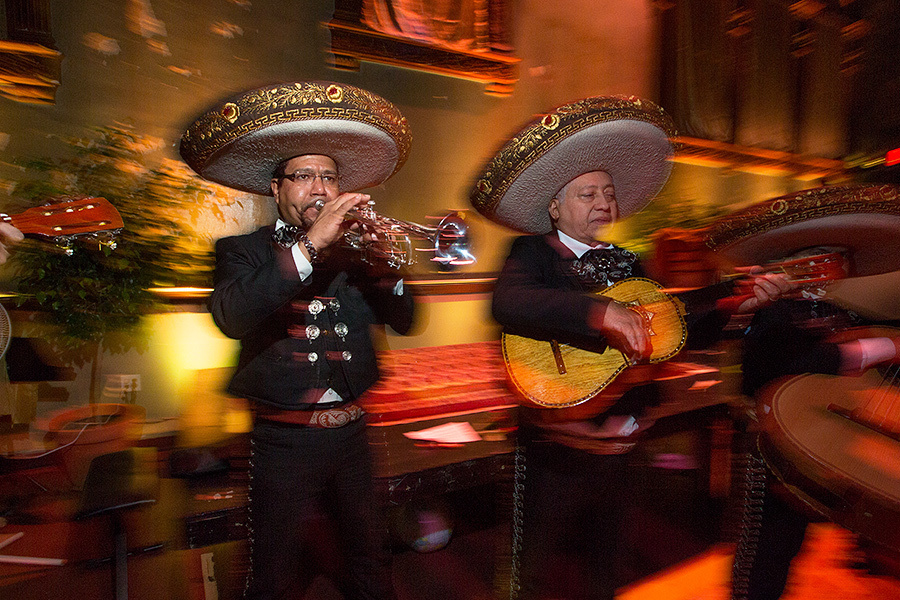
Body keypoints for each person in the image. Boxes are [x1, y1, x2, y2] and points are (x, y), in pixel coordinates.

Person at [469, 95, 791, 600]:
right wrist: (599, 313)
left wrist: (740, 303)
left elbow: (674, 332)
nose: (603, 203)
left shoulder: (628, 262)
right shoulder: (531, 252)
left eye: (608, 193)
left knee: (609, 569)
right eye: (587, 193)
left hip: (623, 449)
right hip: (556, 452)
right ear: (554, 206)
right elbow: (509, 303)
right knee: (527, 573)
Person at [180, 81, 416, 600]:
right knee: (273, 565)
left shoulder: (360, 253)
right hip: (282, 439)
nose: (319, 187)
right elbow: (231, 315)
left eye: (329, 177)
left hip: (353, 433)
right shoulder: (242, 251)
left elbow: (405, 320)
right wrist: (311, 246)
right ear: (276, 188)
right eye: (304, 175)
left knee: (369, 558)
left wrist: (389, 265)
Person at [704, 184, 900, 600]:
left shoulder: (835, 310)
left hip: (816, 443)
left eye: (841, 258)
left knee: (789, 553)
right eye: (829, 257)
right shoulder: (770, 312)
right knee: (760, 562)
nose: (839, 267)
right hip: (764, 450)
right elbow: (788, 366)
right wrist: (877, 347)